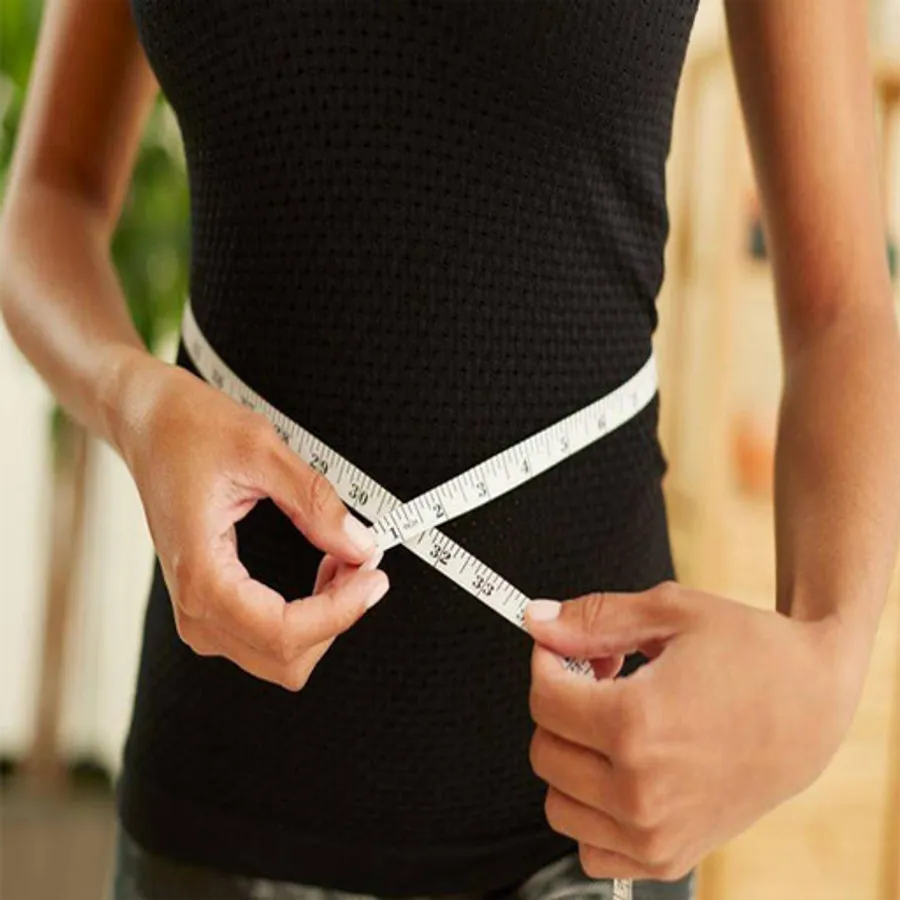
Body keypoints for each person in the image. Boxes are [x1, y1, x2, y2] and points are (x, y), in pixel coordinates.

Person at [1, 1, 898, 898]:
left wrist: (825, 668)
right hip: (215, 793)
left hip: (587, 823)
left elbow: (844, 310)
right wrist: (135, 401)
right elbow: (48, 201)